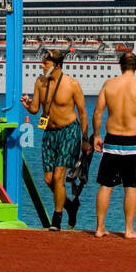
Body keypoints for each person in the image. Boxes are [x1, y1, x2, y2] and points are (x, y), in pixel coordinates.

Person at [92, 51, 136, 238]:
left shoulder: (109, 84)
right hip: (132, 141)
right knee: (130, 186)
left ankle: (99, 228)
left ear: (120, 65)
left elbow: (98, 112)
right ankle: (129, 229)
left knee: (105, 185)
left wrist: (97, 135)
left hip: (111, 139)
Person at [21, 50, 87, 230]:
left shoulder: (72, 84)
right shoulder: (39, 82)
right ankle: (70, 206)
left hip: (69, 131)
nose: (41, 66)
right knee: (49, 180)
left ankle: (56, 219)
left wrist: (85, 138)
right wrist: (28, 105)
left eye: (46, 63)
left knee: (59, 177)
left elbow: (82, 112)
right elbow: (36, 109)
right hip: (49, 133)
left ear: (57, 65)